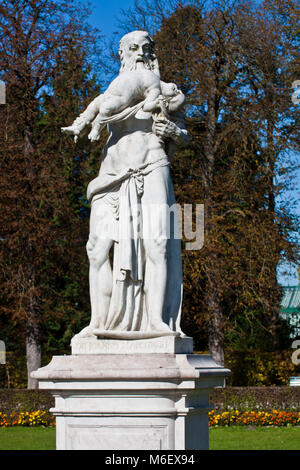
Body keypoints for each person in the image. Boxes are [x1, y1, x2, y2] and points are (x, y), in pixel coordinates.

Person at [62, 30, 189, 339]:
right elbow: (99, 112)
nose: (140, 53)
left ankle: (156, 321)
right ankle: (99, 322)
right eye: (132, 48)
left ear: (153, 53)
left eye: (146, 48)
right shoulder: (112, 93)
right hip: (112, 175)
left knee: (156, 244)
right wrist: (84, 126)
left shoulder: (167, 92)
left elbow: (184, 136)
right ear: (122, 54)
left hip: (152, 167)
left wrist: (171, 129)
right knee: (97, 249)